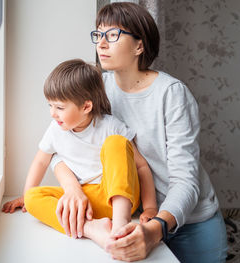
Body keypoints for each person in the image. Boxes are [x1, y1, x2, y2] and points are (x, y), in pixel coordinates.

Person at [51, 2, 228, 262]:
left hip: (189, 221)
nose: (101, 44)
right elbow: (59, 148)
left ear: (139, 46)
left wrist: (156, 228)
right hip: (135, 216)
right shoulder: (96, 90)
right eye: (98, 35)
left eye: (113, 35)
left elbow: (185, 181)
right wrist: (72, 189)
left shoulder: (172, 94)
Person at [2, 59, 158, 249]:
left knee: (116, 142)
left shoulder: (110, 126)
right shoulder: (55, 130)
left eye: (59, 107)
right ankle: (90, 228)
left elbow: (141, 166)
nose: (53, 113)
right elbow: (41, 162)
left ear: (86, 107)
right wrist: (25, 195)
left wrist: (150, 207)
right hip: (85, 202)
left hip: (118, 195)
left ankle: (120, 224)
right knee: (34, 198)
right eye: (50, 106)